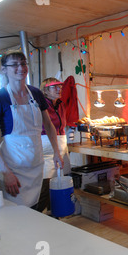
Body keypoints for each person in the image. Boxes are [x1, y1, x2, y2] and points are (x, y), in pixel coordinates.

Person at [0, 51, 63, 209]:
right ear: (4, 70)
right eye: (14, 64)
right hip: (13, 167)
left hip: (36, 165)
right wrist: (6, 172)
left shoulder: (36, 94)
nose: (20, 67)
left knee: (35, 209)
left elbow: (48, 125)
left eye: (23, 63)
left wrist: (56, 152)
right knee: (16, 214)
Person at [36, 77, 72, 212]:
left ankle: (55, 213)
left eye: (60, 87)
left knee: (60, 181)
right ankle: (36, 215)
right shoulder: (41, 105)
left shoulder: (61, 104)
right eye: (55, 87)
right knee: (47, 183)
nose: (59, 89)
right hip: (46, 145)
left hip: (61, 142)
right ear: (45, 90)